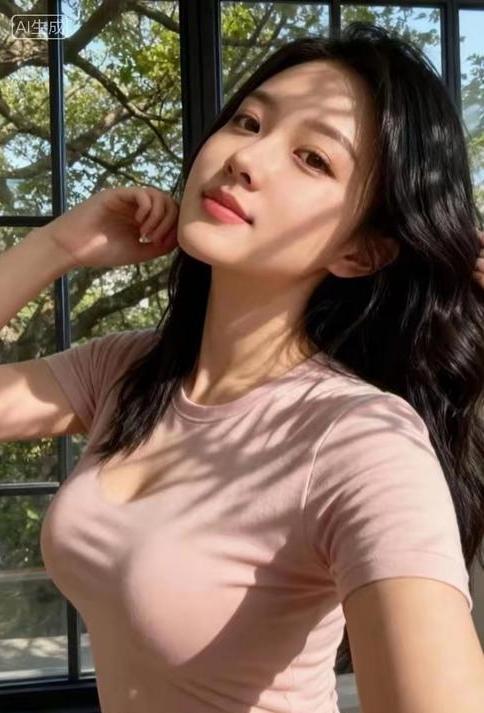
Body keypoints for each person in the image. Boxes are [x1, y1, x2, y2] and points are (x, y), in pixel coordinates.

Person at [1, 21, 484, 713]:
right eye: (248, 121)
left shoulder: (359, 439)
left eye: (313, 158)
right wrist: (58, 246)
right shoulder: (130, 370)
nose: (246, 158)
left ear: (360, 251)